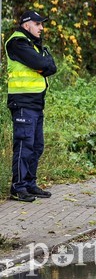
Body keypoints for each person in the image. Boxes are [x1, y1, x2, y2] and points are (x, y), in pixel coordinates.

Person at [5, 10, 58, 202]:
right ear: (26, 25)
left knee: (36, 146)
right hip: (22, 103)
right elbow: (41, 63)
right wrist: (44, 63)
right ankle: (18, 187)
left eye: (42, 24)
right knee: (24, 145)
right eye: (38, 24)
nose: (41, 28)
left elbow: (51, 67)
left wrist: (44, 64)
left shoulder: (33, 44)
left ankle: (29, 184)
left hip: (35, 103)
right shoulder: (17, 42)